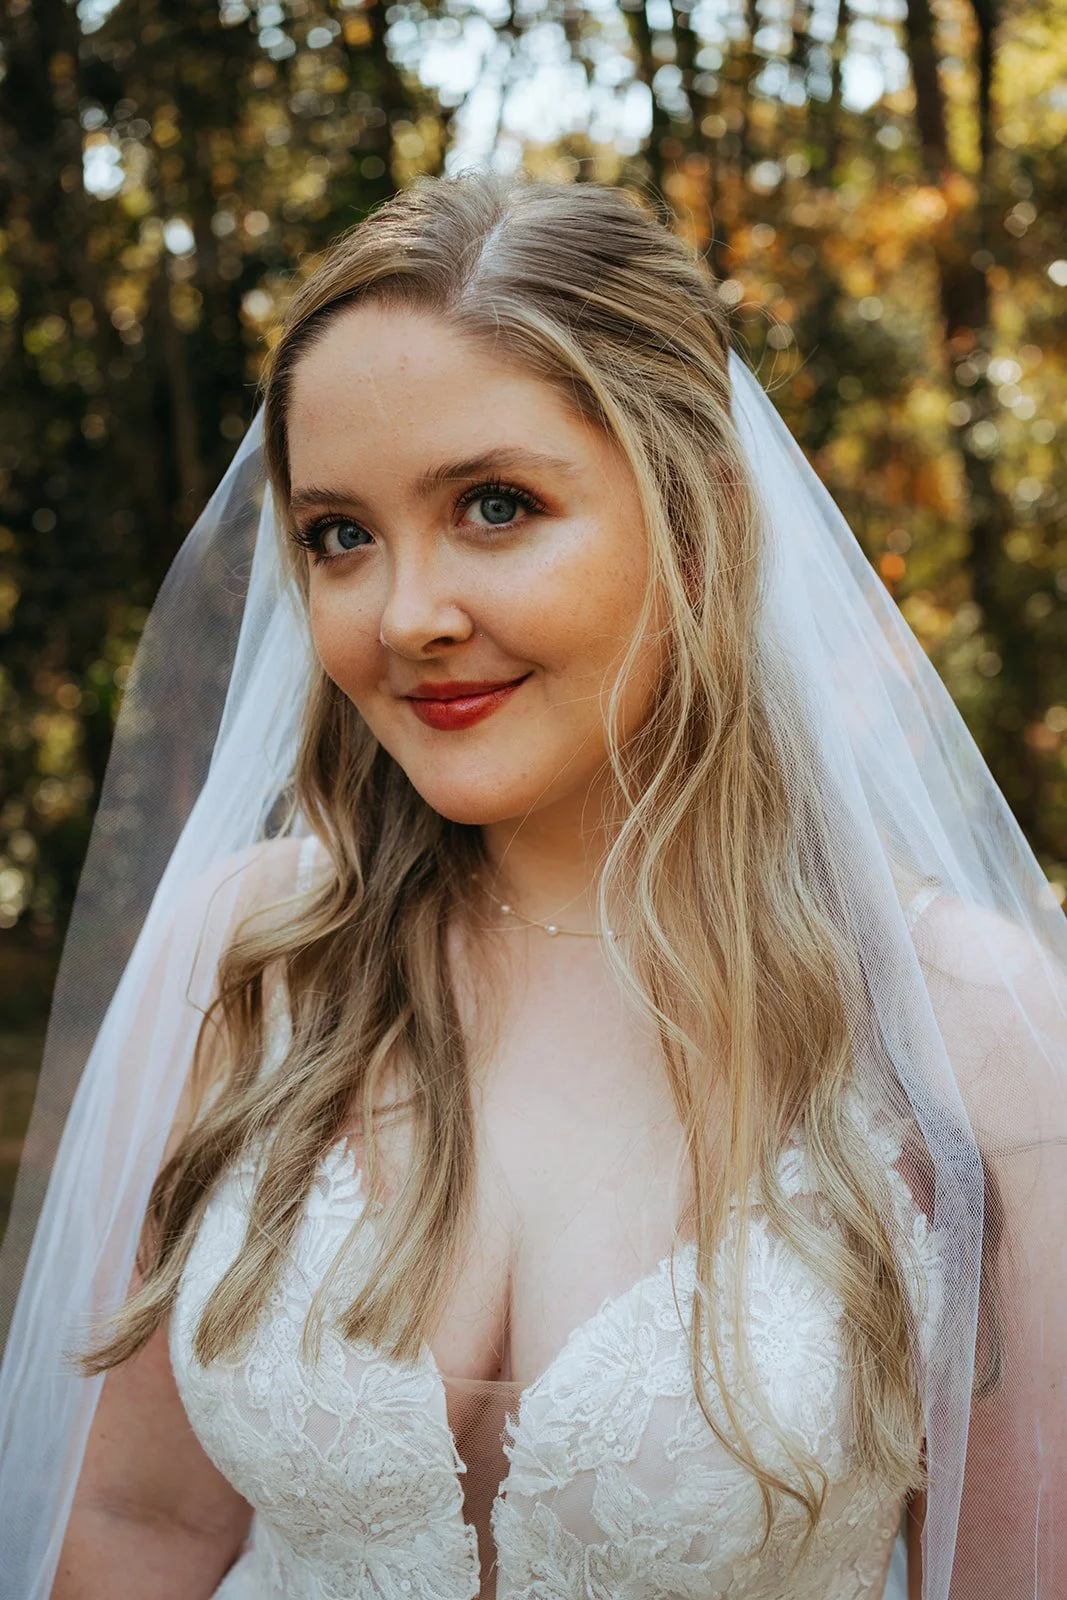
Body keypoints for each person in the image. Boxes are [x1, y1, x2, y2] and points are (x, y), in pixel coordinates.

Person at [0, 168, 1064, 1600]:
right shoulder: (256, 951)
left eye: (495, 506)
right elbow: (139, 1525)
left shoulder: (964, 1027)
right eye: (339, 534)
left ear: (698, 524)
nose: (406, 615)